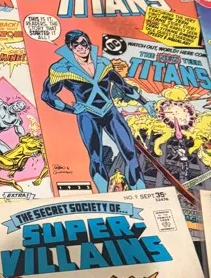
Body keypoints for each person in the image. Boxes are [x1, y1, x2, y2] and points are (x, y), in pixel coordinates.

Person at [42, 30, 153, 192]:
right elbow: (47, 95)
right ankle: (103, 194)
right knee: (96, 158)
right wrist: (70, 109)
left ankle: (139, 191)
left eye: (83, 42)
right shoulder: (61, 69)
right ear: (70, 47)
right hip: (87, 116)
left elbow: (124, 87)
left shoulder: (103, 64)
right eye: (76, 44)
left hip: (110, 112)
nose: (81, 47)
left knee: (130, 153)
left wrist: (145, 103)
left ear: (88, 43)